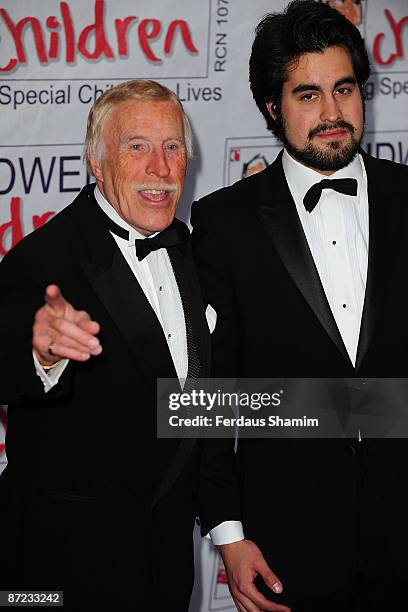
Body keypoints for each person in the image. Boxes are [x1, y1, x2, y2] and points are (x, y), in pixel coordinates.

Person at [191, 1, 408, 610]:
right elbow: (212, 392)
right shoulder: (224, 223)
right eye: (308, 95)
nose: (333, 113)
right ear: (271, 106)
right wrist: (228, 534)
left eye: (344, 89)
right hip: (290, 543)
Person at [0, 79, 210, 610]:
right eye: (136, 147)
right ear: (97, 163)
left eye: (172, 146)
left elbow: (193, 411)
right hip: (56, 572)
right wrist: (39, 351)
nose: (161, 169)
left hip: (164, 569)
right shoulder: (43, 257)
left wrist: (365, 408)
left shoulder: (194, 251)